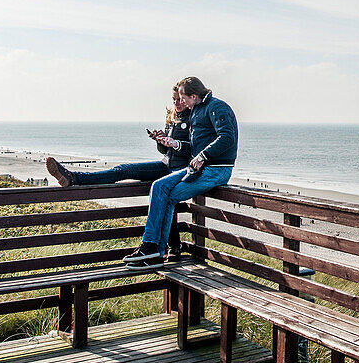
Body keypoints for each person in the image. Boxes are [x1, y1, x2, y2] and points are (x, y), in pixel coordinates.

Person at [124, 76, 238, 270]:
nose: (180, 101)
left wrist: (202, 156)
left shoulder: (218, 107)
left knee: (169, 196)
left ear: (194, 95)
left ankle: (155, 251)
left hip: (217, 170)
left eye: (183, 97)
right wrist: (174, 144)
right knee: (159, 186)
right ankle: (150, 247)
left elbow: (227, 137)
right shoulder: (196, 110)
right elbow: (195, 146)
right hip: (198, 167)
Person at [45, 86, 192, 187]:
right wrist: (161, 141)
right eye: (174, 100)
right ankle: (73, 177)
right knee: (122, 169)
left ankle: (74, 177)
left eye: (179, 99)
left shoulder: (193, 119)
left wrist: (174, 143)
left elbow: (193, 149)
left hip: (179, 170)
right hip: (165, 165)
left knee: (124, 170)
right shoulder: (172, 118)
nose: (176, 103)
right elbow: (165, 152)